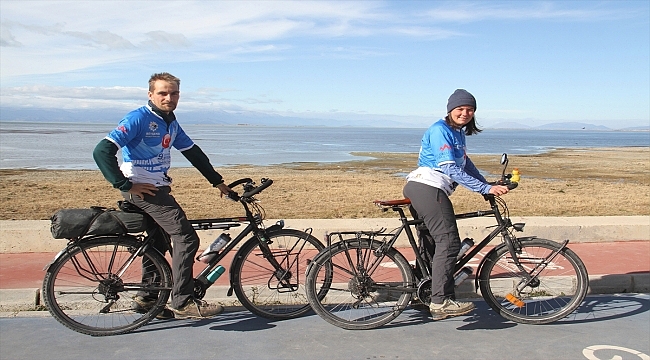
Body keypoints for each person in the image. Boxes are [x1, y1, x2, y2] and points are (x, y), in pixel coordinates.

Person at [93, 72, 232, 319]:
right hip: (146, 191)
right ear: (150, 94)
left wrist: (217, 182)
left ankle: (147, 298)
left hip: (156, 188)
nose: (169, 98)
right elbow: (102, 151)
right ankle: (182, 301)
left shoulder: (171, 122)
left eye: (174, 93)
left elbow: (193, 153)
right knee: (186, 238)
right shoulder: (138, 118)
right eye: (162, 93)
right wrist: (124, 184)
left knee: (157, 243)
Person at [403, 89, 509, 321]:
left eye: (470, 110)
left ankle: (424, 293)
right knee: (449, 242)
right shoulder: (440, 130)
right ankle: (440, 303)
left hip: (425, 188)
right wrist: (483, 188)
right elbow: (449, 167)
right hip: (428, 188)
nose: (465, 113)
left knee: (431, 244)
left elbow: (465, 163)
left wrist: (486, 184)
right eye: (460, 109)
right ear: (450, 110)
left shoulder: (457, 132)